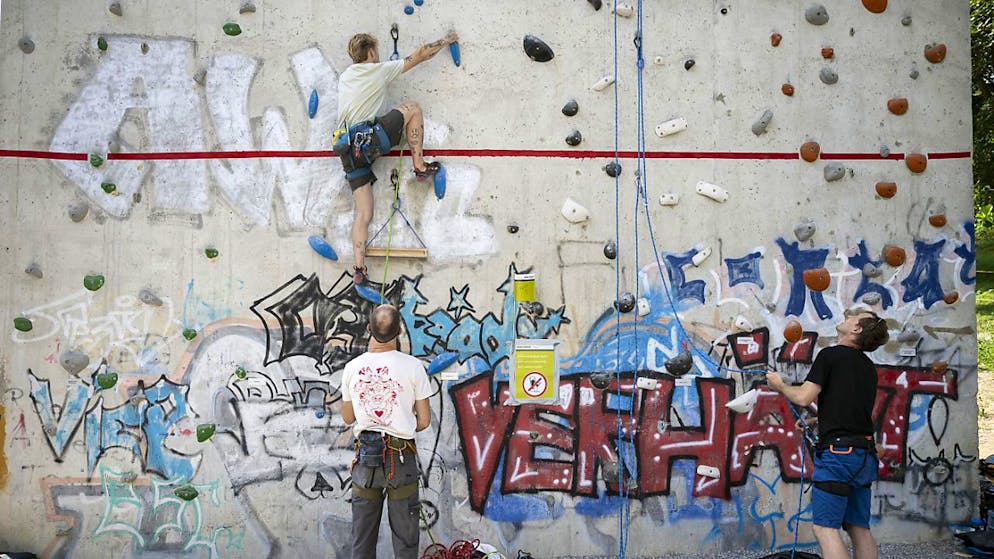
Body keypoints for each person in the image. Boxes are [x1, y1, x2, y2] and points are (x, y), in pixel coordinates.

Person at [336, 30, 458, 286]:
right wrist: (445, 41)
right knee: (413, 107)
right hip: (368, 139)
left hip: (348, 150)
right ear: (371, 52)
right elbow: (420, 55)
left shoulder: (346, 76)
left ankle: (359, 268)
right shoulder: (378, 69)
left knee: (363, 214)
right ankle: (420, 165)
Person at [766, 308, 889, 559]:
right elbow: (852, 408)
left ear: (856, 330)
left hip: (839, 456)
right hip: (864, 455)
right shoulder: (867, 366)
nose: (848, 315)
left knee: (825, 528)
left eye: (854, 316)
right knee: (859, 528)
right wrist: (818, 420)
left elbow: (802, 396)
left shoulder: (830, 355)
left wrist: (779, 385)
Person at [339, 304, 432, 559]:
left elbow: (348, 417)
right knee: (405, 540)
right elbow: (424, 421)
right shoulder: (413, 367)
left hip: (365, 461)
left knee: (362, 539)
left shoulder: (352, 368)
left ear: (368, 328)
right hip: (401, 459)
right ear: (400, 330)